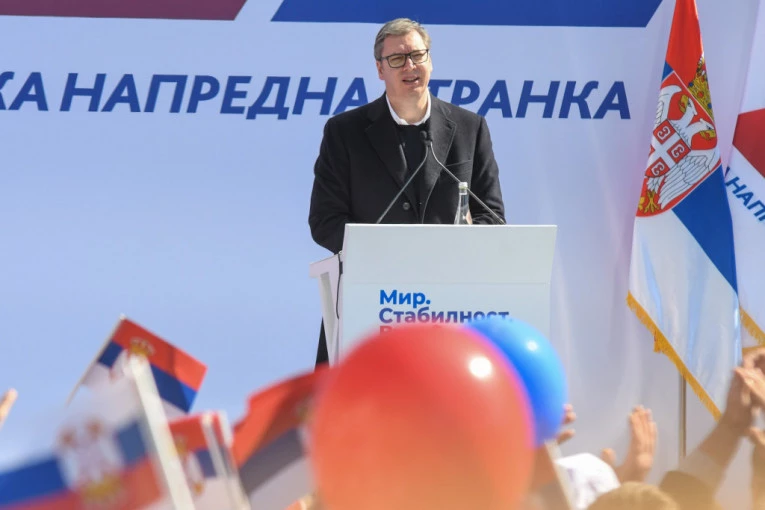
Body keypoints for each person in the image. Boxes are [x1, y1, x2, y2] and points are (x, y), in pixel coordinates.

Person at [308, 17, 506, 365]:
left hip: (449, 306)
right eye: (397, 59)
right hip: (371, 302)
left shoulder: (469, 128)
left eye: (417, 55)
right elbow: (325, 221)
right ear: (380, 69)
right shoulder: (345, 132)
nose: (410, 66)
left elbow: (492, 216)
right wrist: (386, 254)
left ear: (430, 60)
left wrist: (449, 252)